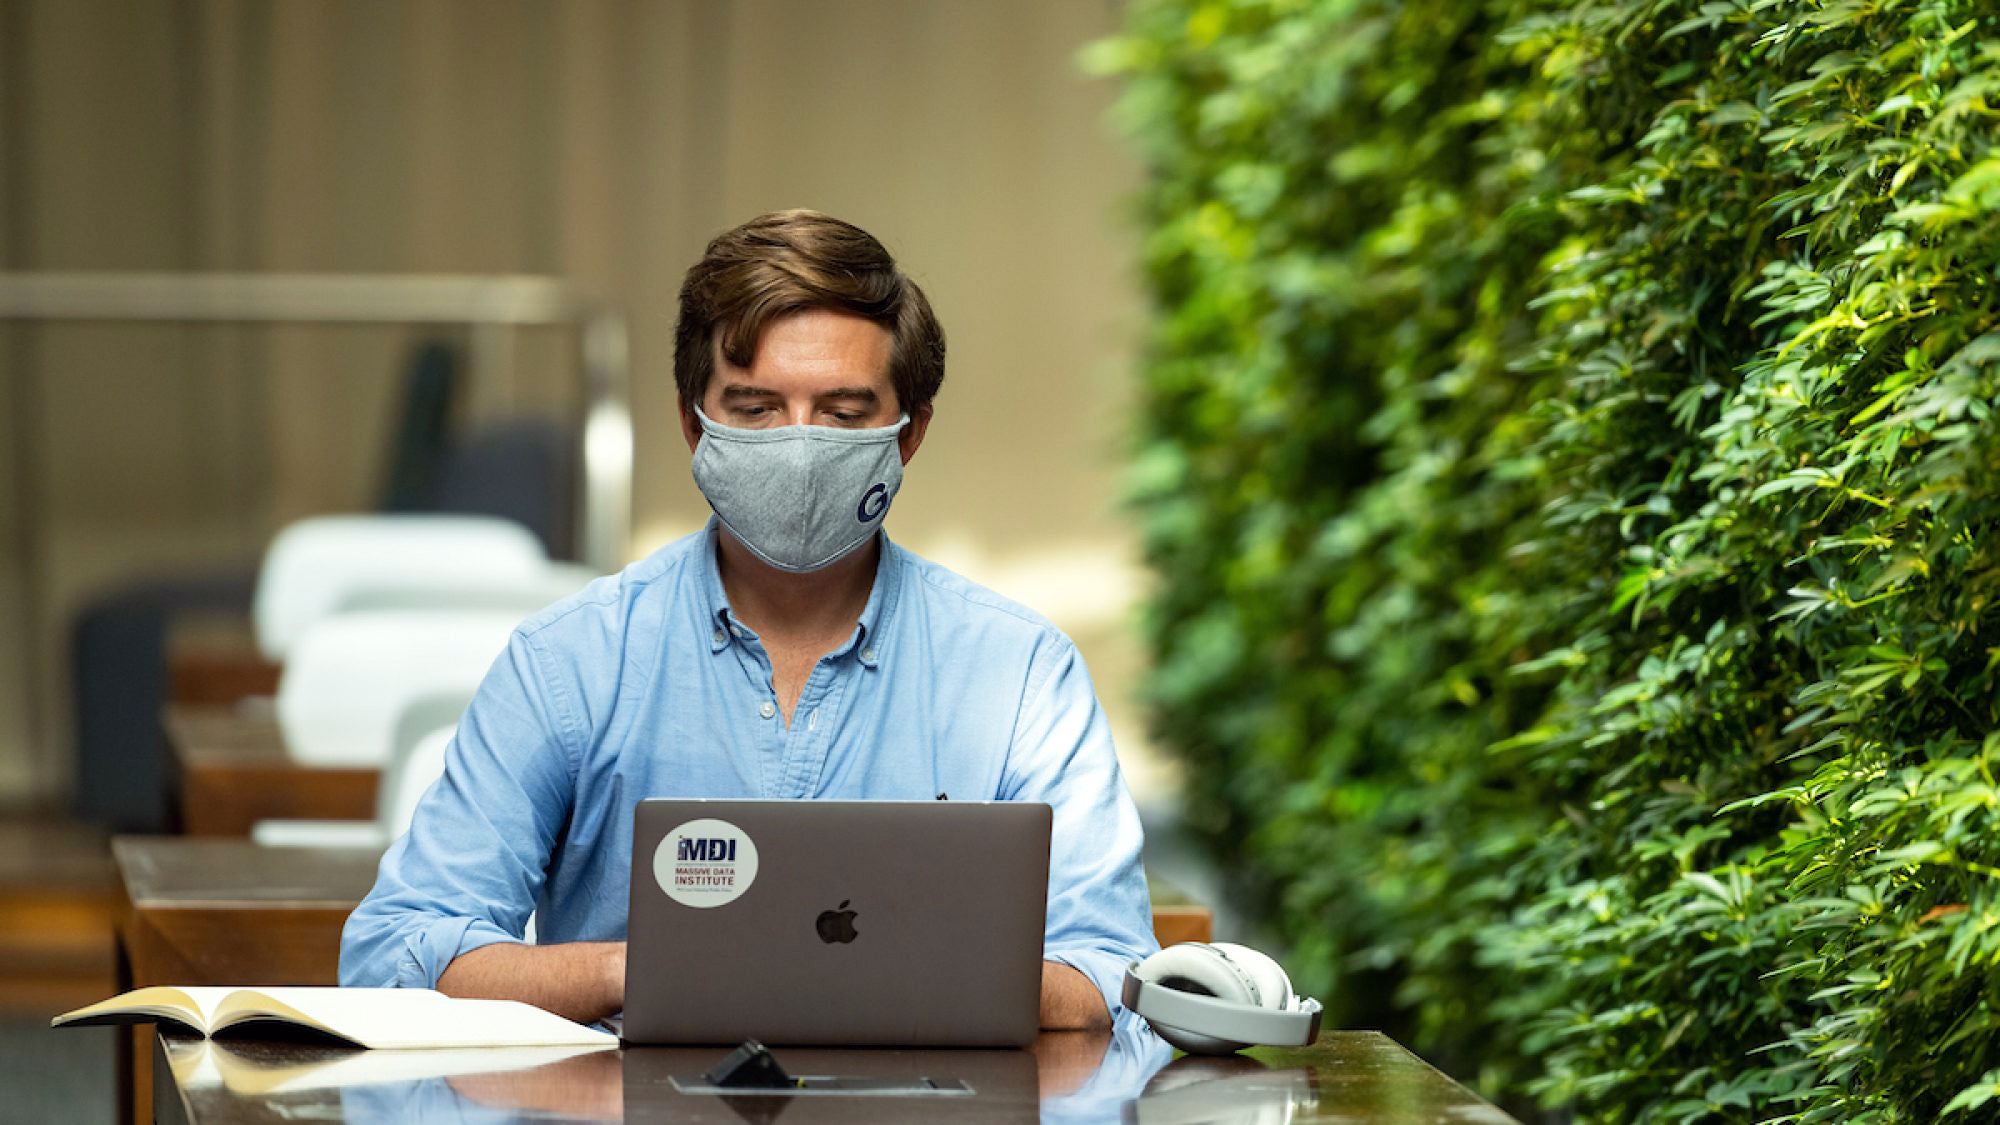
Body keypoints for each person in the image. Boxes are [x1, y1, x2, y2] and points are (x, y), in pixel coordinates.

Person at [339, 209, 1157, 1029]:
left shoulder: (1019, 673)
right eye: (757, 407)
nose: (799, 446)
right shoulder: (571, 659)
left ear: (909, 436)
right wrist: (651, 967)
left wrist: (851, 970)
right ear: (694, 423)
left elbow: (1109, 970)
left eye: (843, 412)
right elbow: (393, 951)